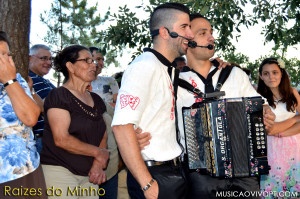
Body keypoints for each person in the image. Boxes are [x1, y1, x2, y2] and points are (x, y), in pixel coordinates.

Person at [138, 13, 275, 199]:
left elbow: (261, 105)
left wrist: (266, 112)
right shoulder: (174, 83)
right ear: (188, 40)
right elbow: (158, 122)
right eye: (203, 33)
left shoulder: (234, 73)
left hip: (245, 173)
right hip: (200, 177)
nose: (211, 37)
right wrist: (139, 135)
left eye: (211, 32)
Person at [112, 3, 194, 199]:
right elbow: (121, 127)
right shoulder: (144, 66)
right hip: (155, 176)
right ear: (165, 32)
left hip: (174, 170)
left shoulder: (166, 67)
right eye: (184, 27)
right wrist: (147, 184)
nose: (190, 34)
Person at [40, 45, 109, 199]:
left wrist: (98, 164)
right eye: (87, 61)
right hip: (59, 171)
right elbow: (61, 139)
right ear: (70, 66)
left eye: (94, 61)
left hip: (90, 174)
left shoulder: (96, 99)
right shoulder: (58, 95)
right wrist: (99, 153)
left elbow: (102, 134)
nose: (94, 65)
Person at [0, 31, 47, 198]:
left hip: (26, 171)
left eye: (7, 55)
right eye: (0, 55)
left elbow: (31, 117)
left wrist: (9, 80)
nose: (5, 61)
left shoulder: (17, 80)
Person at [257, 58, 300, 198]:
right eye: (266, 73)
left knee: (295, 188)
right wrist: (295, 119)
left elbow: (276, 130)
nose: (271, 77)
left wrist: (281, 132)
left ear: (281, 73)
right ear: (261, 76)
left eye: (275, 72)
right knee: (274, 190)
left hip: (296, 148)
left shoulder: (293, 93)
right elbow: (270, 130)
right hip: (272, 149)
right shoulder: (259, 98)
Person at [29, 44, 56, 152]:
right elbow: (49, 108)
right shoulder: (31, 79)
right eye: (43, 58)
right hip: (41, 140)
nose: (49, 63)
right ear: (30, 58)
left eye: (50, 59)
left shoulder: (45, 81)